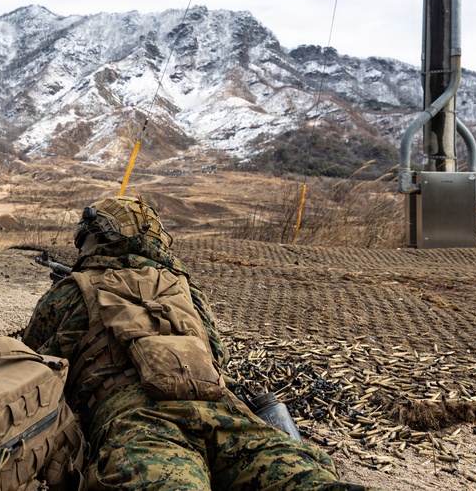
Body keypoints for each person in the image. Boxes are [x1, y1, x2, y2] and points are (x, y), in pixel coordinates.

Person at [22, 195, 378, 491]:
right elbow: (216, 355)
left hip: (138, 418)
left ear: (93, 238)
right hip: (222, 409)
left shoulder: (70, 291)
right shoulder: (187, 291)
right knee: (303, 477)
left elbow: (33, 371)